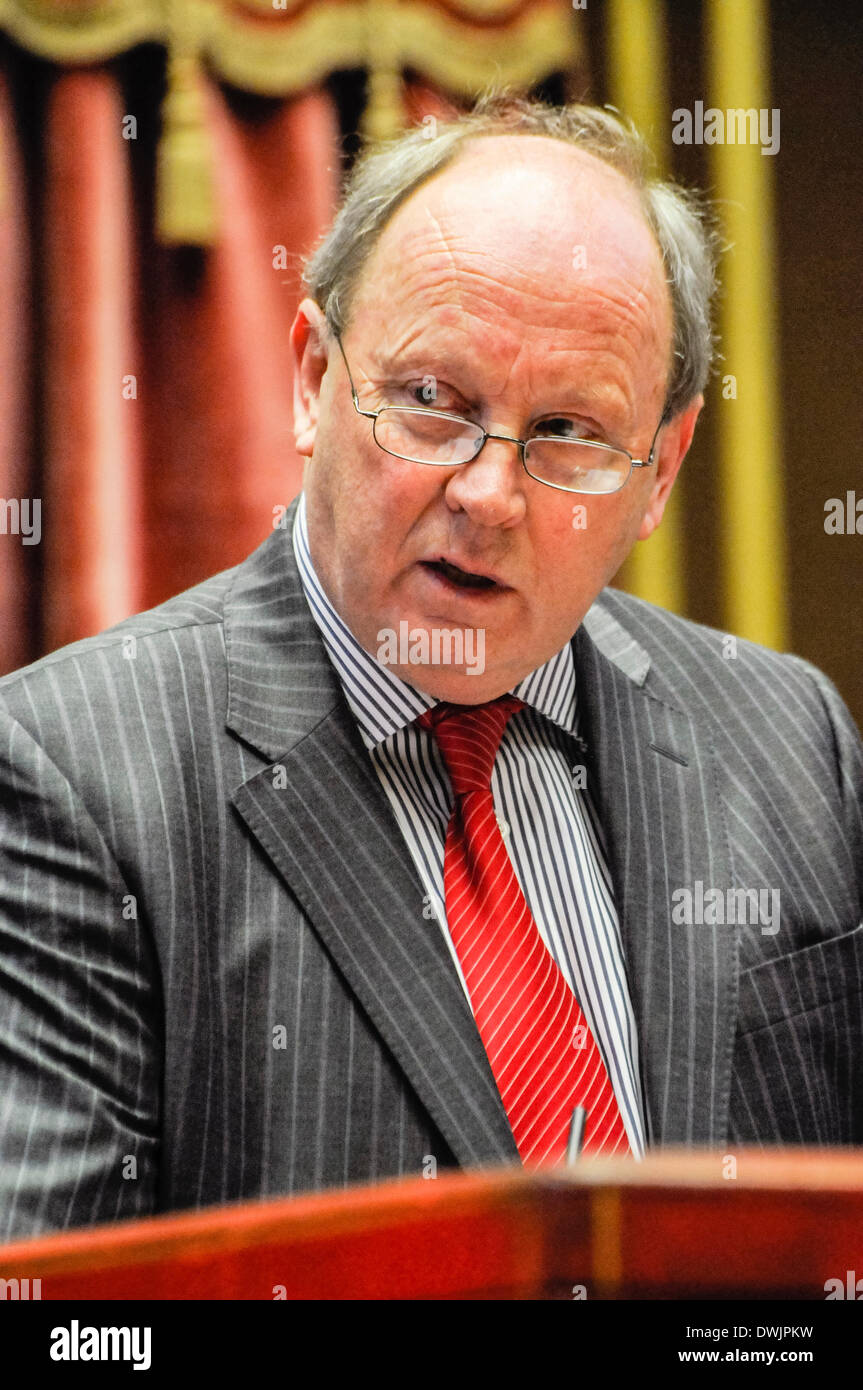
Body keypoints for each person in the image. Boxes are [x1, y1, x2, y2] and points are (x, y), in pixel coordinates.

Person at [1, 95, 861, 1244]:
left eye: (568, 431)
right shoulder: (72, 776)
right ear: (311, 378)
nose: (488, 495)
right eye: (429, 401)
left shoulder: (787, 735)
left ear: (659, 469)